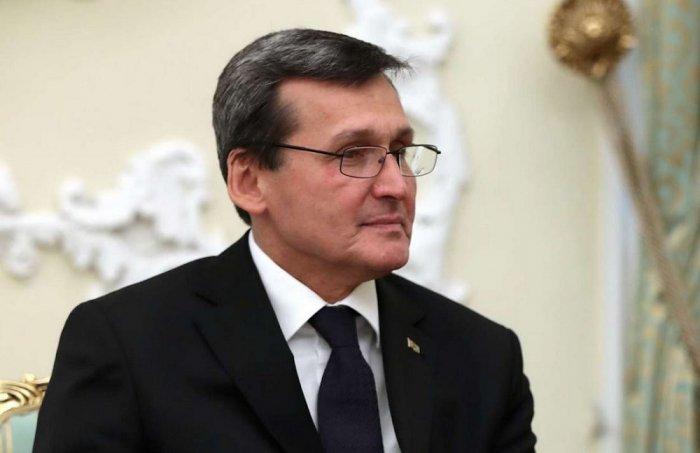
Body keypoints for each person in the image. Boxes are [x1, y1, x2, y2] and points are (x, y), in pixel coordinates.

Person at [33, 29, 536, 452]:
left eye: (400, 152)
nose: (396, 186)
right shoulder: (129, 345)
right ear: (250, 180)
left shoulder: (482, 358)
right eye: (353, 154)